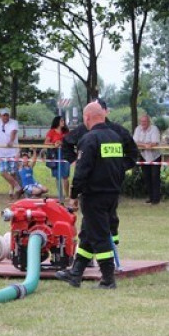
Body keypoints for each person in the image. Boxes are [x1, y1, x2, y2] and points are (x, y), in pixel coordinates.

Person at [55, 102, 125, 290]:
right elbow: (121, 166)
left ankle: (108, 279)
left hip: (94, 195)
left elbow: (82, 171)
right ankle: (76, 273)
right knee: (87, 234)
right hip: (112, 194)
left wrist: (74, 194)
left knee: (100, 236)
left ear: (87, 118)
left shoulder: (89, 139)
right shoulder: (115, 137)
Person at [62, 99, 137, 249]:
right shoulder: (84, 130)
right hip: (91, 187)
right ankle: (86, 257)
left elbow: (133, 154)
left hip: (110, 184)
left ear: (104, 111)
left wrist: (117, 167)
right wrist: (76, 161)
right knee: (90, 221)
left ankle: (111, 249)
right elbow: (66, 144)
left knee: (110, 220)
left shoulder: (118, 131)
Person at [133, 112, 162, 205]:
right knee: (146, 177)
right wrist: (145, 145)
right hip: (144, 155)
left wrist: (145, 144)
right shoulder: (137, 129)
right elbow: (134, 142)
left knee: (155, 176)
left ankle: (156, 199)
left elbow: (155, 142)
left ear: (148, 121)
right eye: (142, 121)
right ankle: (151, 197)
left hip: (155, 156)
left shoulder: (154, 129)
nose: (143, 123)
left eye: (145, 121)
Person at [44, 116, 70, 200]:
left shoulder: (66, 131)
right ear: (57, 122)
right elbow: (46, 143)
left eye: (63, 120)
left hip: (65, 155)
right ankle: (60, 195)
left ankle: (67, 195)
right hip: (55, 155)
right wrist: (54, 143)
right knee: (57, 176)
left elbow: (70, 141)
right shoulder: (51, 132)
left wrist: (61, 142)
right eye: (61, 120)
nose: (63, 122)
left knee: (65, 176)